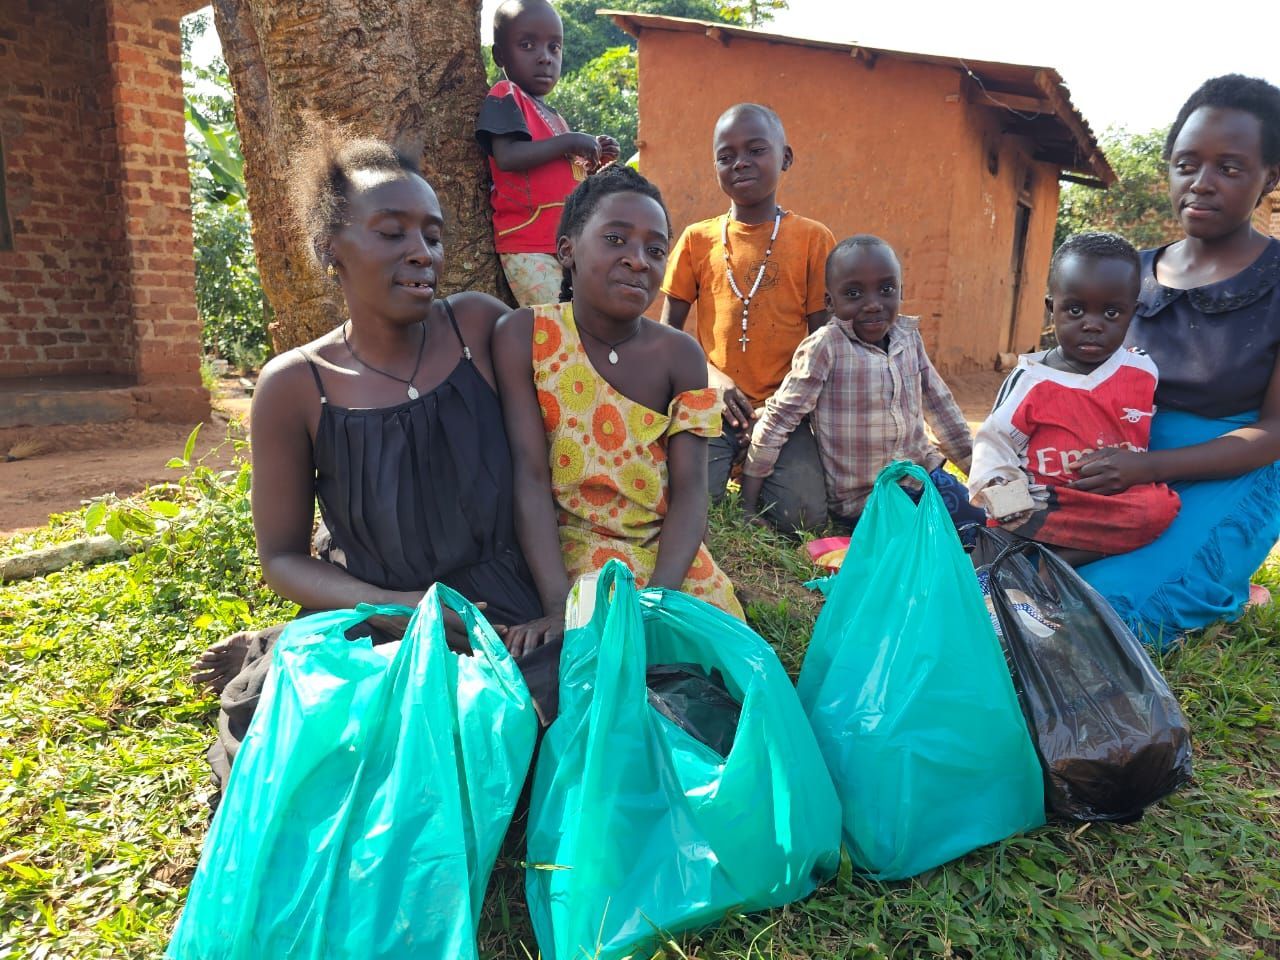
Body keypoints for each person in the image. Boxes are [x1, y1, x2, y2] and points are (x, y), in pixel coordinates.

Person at [195, 125, 559, 793]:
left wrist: (560, 611)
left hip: (500, 610)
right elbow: (280, 557)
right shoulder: (294, 386)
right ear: (332, 248)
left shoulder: (478, 327)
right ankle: (271, 653)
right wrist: (403, 607)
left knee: (550, 728)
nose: (421, 252)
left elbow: (536, 475)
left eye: (432, 234)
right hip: (379, 614)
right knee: (355, 756)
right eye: (393, 232)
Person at [1069, 75, 1280, 646]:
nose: (1201, 184)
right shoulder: (1125, 273)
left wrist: (1148, 469)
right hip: (1115, 457)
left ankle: (1216, 578)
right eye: (1186, 164)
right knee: (1011, 559)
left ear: (1270, 177)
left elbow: (1275, 431)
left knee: (1103, 606)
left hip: (1230, 468)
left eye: (1229, 168)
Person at [495, 165, 744, 633]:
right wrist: (555, 607)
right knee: (602, 651)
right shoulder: (525, 335)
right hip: (572, 549)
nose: (638, 260)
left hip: (663, 553)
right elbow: (528, 474)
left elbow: (691, 494)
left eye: (655, 249)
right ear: (566, 250)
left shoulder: (679, 354)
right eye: (615, 240)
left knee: (721, 655)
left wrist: (661, 599)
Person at [660, 103, 833, 534]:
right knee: (694, 509)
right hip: (714, 403)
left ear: (785, 158)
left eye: (756, 149)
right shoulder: (696, 240)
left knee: (802, 519)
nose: (740, 162)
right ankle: (728, 462)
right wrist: (713, 380)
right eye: (726, 155)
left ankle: (767, 464)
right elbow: (666, 336)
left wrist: (791, 408)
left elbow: (824, 340)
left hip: (784, 409)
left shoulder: (813, 239)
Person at [741, 235, 981, 535]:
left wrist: (980, 474)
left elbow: (940, 407)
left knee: (979, 524)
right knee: (918, 547)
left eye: (886, 290)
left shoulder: (908, 338)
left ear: (901, 291)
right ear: (830, 302)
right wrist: (748, 503)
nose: (872, 305)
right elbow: (780, 418)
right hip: (865, 501)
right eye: (854, 293)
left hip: (922, 477)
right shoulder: (826, 348)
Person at [968, 233, 1181, 566]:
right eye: (1076, 310)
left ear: (1133, 313)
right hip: (1047, 499)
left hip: (1110, 502)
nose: (1092, 325)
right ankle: (1017, 552)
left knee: (1158, 508)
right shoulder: (1032, 379)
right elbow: (993, 444)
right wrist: (1003, 493)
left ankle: (1051, 563)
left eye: (1111, 313)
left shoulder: (1142, 371)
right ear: (1052, 308)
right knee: (1011, 515)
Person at [476, 0, 620, 308]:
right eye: (528, 45)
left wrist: (592, 160)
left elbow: (562, 174)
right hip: (527, 244)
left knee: (584, 318)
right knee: (560, 323)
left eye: (554, 47)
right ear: (500, 55)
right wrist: (570, 141)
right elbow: (509, 157)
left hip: (563, 244)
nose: (544, 58)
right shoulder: (506, 95)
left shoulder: (553, 116)